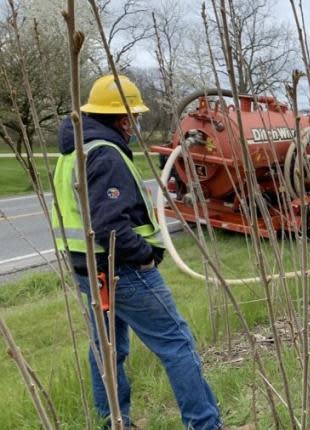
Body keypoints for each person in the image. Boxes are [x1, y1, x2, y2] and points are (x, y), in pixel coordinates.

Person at [51, 74, 222, 429]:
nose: (136, 125)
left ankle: (116, 422)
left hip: (88, 271)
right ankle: (206, 424)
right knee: (177, 344)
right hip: (124, 270)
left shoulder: (73, 153)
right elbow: (110, 225)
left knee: (107, 350)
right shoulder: (106, 156)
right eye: (135, 117)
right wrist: (144, 254)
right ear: (123, 119)